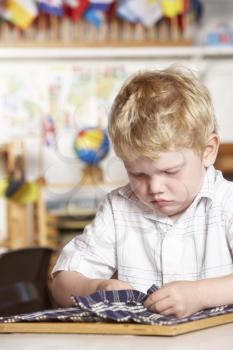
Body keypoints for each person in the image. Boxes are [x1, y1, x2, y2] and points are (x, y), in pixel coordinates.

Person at [52, 66, 233, 319]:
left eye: (170, 172)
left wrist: (201, 294)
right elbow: (62, 282)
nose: (154, 187)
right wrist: (94, 288)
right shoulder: (118, 208)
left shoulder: (228, 204)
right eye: (139, 174)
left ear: (208, 151)